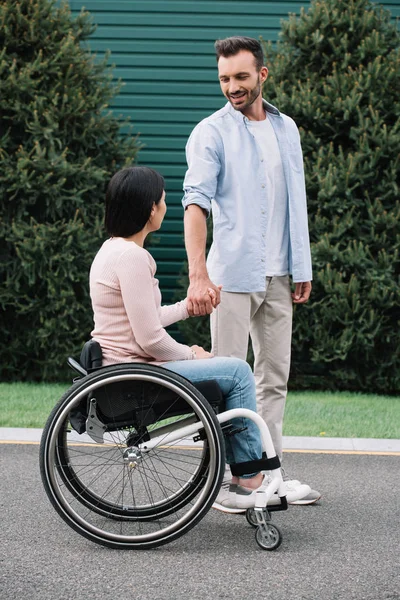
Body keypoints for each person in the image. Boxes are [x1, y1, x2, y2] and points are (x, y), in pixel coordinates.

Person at [90, 165, 281, 512]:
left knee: (227, 373)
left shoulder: (112, 251)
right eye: (163, 200)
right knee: (238, 372)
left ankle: (240, 478)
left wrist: (187, 308)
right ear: (151, 209)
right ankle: (250, 477)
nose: (165, 206)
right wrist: (191, 355)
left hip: (122, 371)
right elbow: (149, 338)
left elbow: (144, 318)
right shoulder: (133, 258)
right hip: (135, 375)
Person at [182, 36, 321, 507]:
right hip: (232, 277)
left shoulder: (288, 129)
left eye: (241, 77)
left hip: (280, 274)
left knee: (273, 378)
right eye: (224, 78)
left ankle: (270, 474)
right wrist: (198, 274)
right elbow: (195, 203)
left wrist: (301, 264)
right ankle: (231, 480)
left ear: (263, 74)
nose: (232, 87)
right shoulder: (211, 132)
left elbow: (293, 203)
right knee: (226, 383)